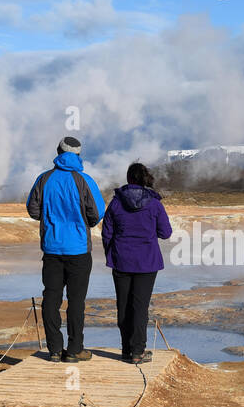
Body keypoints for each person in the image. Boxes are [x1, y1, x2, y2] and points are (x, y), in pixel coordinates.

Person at [26, 136, 105, 362]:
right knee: (76, 300)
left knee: (51, 297)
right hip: (78, 249)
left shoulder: (44, 179)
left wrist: (51, 221)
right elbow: (97, 212)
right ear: (79, 155)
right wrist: (83, 223)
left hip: (52, 249)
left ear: (58, 151)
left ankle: (54, 349)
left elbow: (33, 209)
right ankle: (74, 349)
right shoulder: (84, 180)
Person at [101, 162, 172, 364]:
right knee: (140, 307)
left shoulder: (116, 203)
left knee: (123, 306)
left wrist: (113, 253)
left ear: (129, 179)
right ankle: (137, 352)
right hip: (147, 262)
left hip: (121, 261)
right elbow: (166, 233)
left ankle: (126, 350)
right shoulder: (155, 204)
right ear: (144, 179)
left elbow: (107, 233)